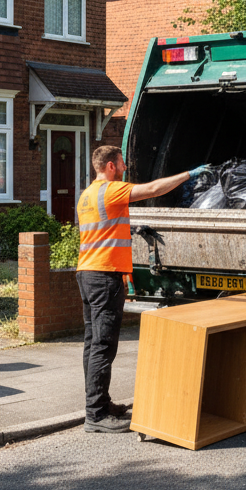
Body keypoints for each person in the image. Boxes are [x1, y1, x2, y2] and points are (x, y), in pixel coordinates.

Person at [77, 145, 208, 433]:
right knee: (103, 345)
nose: (125, 167)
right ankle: (96, 415)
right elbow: (152, 190)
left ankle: (99, 403)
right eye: (122, 163)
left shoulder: (87, 194)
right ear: (111, 166)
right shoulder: (111, 190)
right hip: (104, 275)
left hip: (88, 273)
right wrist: (188, 174)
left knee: (92, 343)